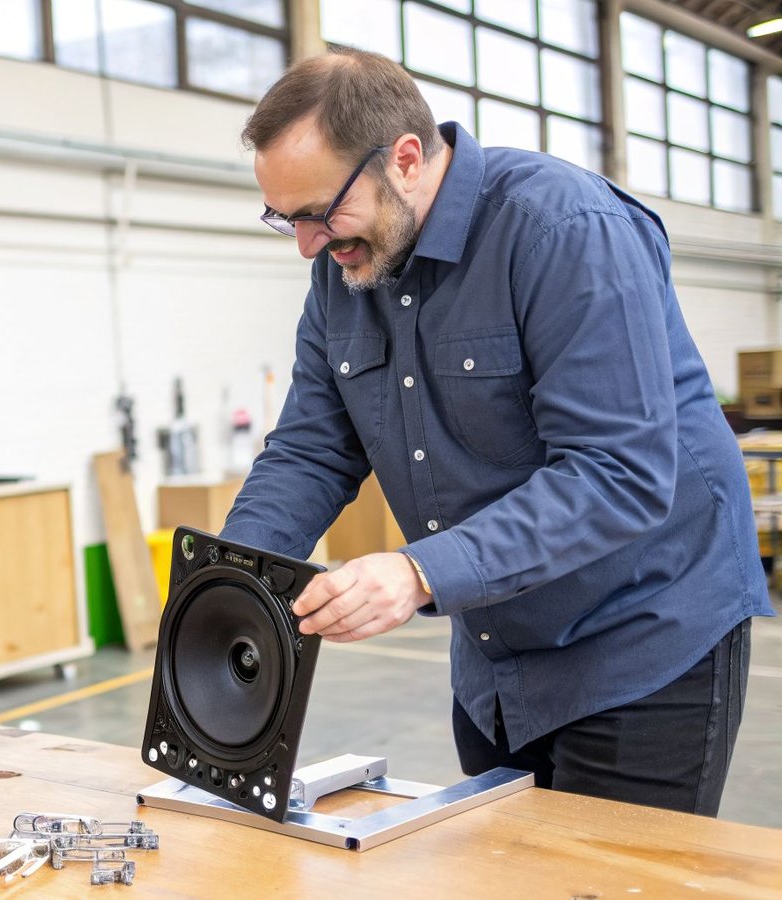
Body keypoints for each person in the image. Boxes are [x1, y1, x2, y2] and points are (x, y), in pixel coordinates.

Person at [218, 48, 773, 817]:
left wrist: (417, 575)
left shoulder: (563, 229)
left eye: (319, 212)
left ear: (405, 159)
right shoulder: (347, 275)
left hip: (642, 639)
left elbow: (619, 472)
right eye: (288, 219)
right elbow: (312, 448)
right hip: (497, 660)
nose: (310, 243)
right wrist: (229, 582)